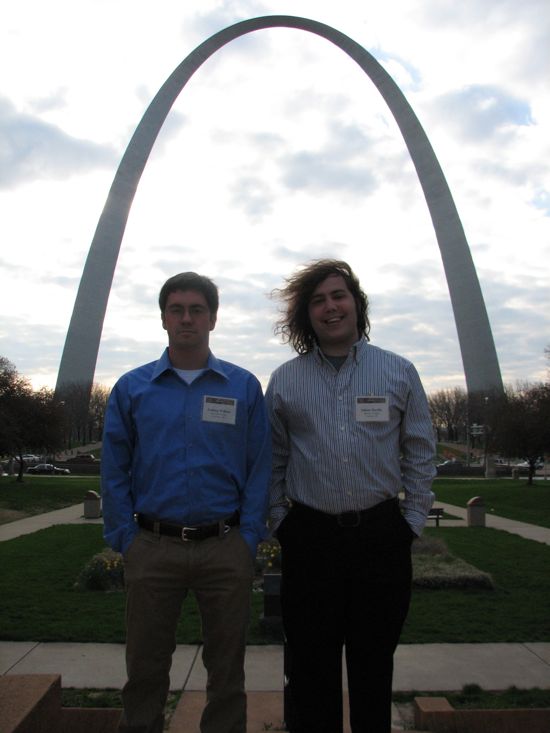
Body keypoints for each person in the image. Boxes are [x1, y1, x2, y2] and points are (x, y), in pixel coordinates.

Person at [266, 259, 436, 733]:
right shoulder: (284, 380)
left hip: (381, 537)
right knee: (309, 670)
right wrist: (280, 520)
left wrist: (412, 520)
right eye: (317, 300)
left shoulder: (399, 372)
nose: (330, 307)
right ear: (307, 315)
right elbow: (273, 461)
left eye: (338, 296)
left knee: (374, 666)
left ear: (356, 305)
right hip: (310, 538)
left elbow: (420, 451)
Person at [101, 272, 271, 733]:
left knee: (228, 671)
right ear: (163, 319)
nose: (186, 318)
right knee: (145, 669)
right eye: (176, 309)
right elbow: (114, 468)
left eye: (197, 309)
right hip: (153, 545)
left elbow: (260, 467)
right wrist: (124, 538)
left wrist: (250, 536)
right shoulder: (133, 388)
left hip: (225, 544)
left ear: (213, 318)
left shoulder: (242, 387)